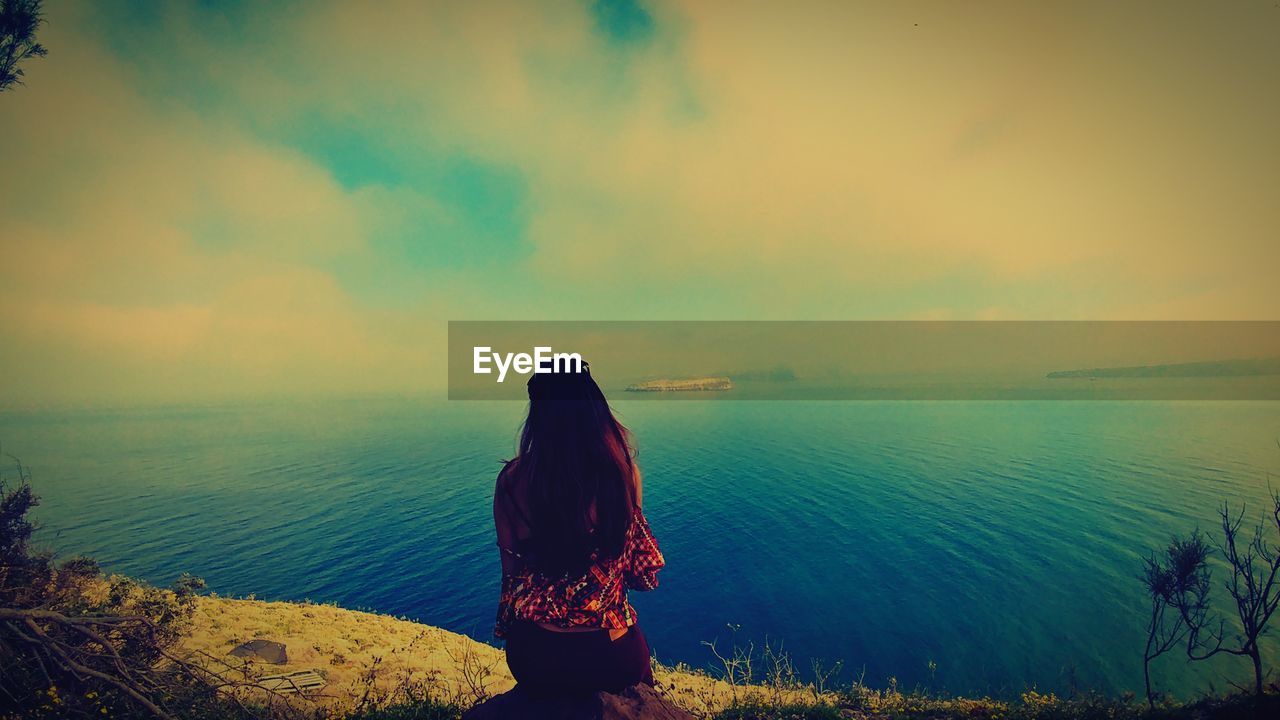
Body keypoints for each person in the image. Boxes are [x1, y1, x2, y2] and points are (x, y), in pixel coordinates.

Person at [492, 361, 665, 697]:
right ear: (594, 412)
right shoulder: (624, 476)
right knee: (641, 679)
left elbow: (511, 578)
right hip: (610, 654)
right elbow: (638, 573)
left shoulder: (511, 483)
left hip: (535, 655)